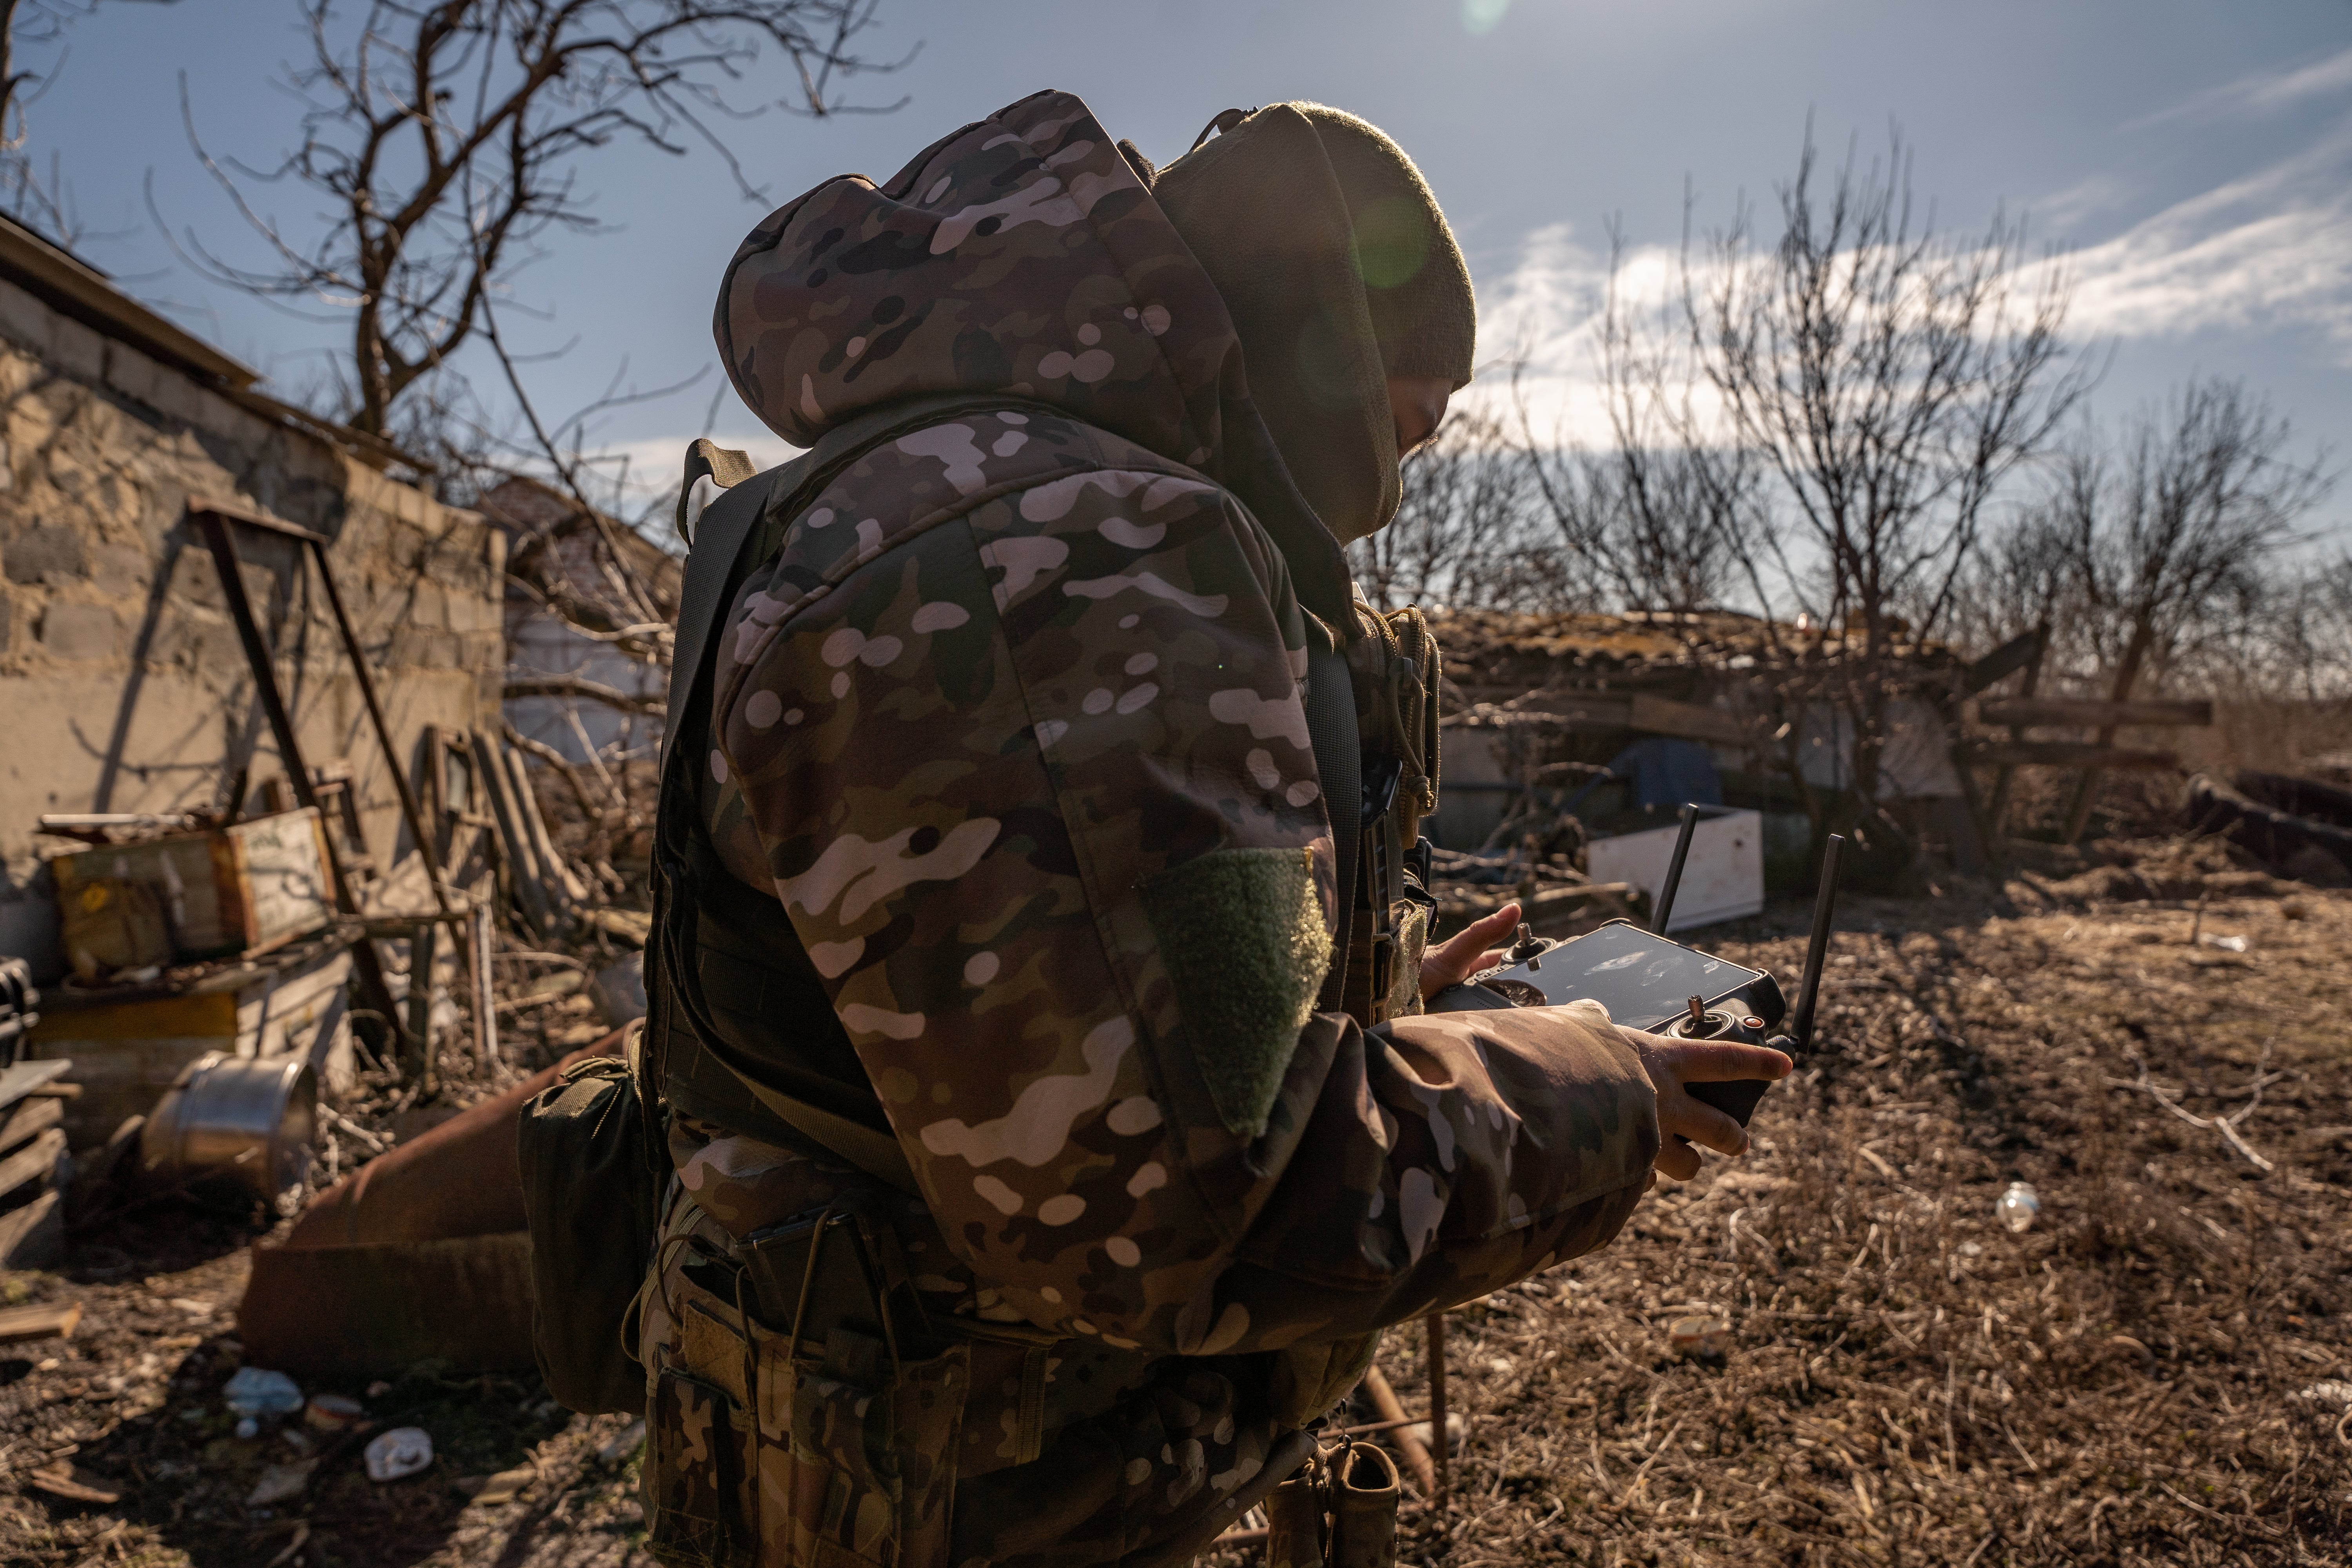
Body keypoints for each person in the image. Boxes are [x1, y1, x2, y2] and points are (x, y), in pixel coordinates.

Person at [636, 89, 1789, 1568]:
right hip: (944, 1481)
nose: (1405, 473)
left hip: (914, 1437)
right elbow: (1192, 1216)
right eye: (1411, 421)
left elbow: (1032, 1008)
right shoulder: (1060, 548)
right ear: (1327, 344)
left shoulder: (983, 486)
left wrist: (1346, 1011)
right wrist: (1596, 1085)